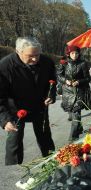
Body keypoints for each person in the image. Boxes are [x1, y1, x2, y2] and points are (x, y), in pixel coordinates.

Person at [0, 37, 56, 165]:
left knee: (45, 137)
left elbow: (52, 81)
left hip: (39, 106)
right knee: (14, 141)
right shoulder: (5, 66)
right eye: (30, 56)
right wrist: (4, 120)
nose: (35, 59)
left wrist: (50, 95)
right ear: (18, 51)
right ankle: (14, 169)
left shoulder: (47, 62)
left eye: (37, 55)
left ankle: (51, 163)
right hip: (15, 109)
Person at [57, 45, 90, 141]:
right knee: (72, 114)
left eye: (76, 53)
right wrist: (65, 80)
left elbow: (87, 78)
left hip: (79, 92)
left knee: (76, 114)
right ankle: (79, 128)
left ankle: (72, 139)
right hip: (67, 92)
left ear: (79, 54)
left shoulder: (83, 63)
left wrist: (79, 81)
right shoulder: (64, 63)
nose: (74, 55)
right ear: (68, 54)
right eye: (72, 53)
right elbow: (59, 75)